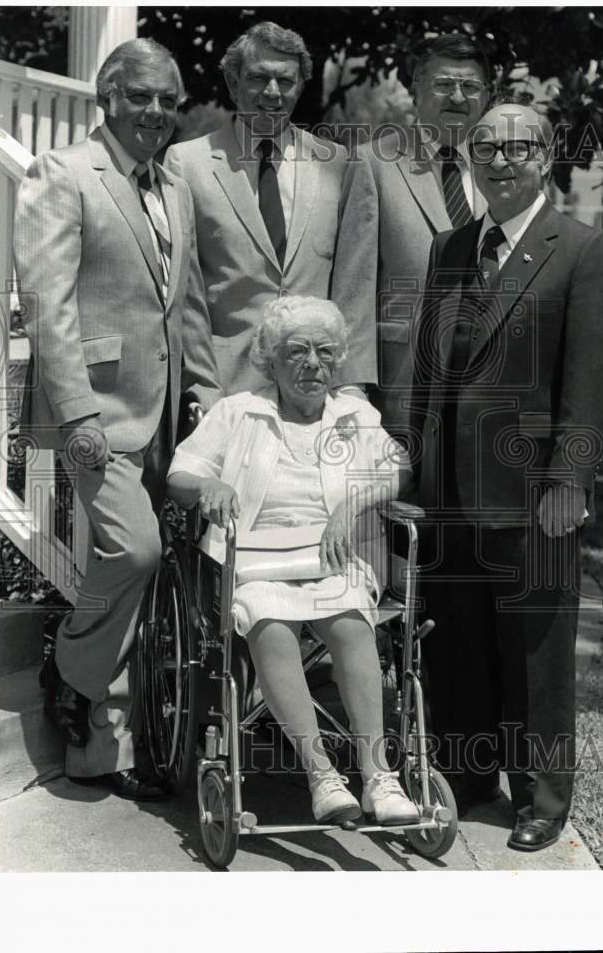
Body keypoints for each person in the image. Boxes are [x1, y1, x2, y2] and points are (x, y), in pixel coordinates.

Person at [410, 93, 603, 849]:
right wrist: (416, 475)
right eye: (487, 148)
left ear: (545, 157)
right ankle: (467, 778)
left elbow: (593, 380)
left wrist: (570, 481)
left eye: (518, 148)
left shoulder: (581, 249)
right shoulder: (449, 248)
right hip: (449, 493)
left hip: (535, 491)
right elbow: (432, 373)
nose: (501, 162)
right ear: (471, 158)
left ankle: (539, 798)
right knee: (457, 640)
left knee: (534, 649)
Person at [14, 38, 222, 800]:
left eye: (168, 100)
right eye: (141, 96)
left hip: (170, 414)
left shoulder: (173, 185)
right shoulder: (62, 173)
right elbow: (46, 303)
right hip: (96, 415)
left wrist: (207, 397)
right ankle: (69, 667)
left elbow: (187, 307)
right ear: (108, 98)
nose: (157, 112)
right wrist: (75, 413)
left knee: (177, 571)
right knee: (133, 553)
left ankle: (104, 752)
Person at [166, 296, 418, 826]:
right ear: (270, 359)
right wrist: (210, 483)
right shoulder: (237, 412)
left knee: (352, 625)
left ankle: (378, 777)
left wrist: (355, 502)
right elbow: (179, 476)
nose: (312, 364)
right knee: (271, 624)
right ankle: (321, 773)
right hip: (253, 562)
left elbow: (401, 469)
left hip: (333, 560)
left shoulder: (355, 414)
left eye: (325, 352)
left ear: (339, 360)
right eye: (297, 351)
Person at [164, 20, 375, 399]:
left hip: (317, 386)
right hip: (223, 388)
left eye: (286, 80)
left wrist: (352, 386)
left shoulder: (338, 162)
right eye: (259, 78)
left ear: (300, 86)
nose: (273, 92)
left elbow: (354, 287)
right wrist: (201, 388)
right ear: (233, 84)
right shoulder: (186, 163)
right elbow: (186, 293)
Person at [338, 33, 491, 439]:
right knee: (401, 501)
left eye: (470, 86)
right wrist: (352, 387)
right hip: (402, 386)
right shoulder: (375, 162)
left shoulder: (505, 167)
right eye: (443, 85)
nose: (457, 97)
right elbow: (354, 285)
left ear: (487, 97)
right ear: (415, 91)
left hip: (491, 388)